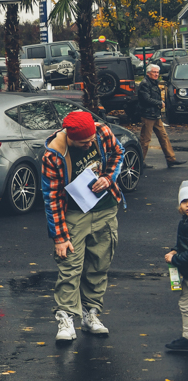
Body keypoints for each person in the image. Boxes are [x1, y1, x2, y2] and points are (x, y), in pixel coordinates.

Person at [41, 109, 125, 342]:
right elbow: (51, 197)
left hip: (105, 209)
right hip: (74, 214)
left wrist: (108, 178)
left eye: (91, 140)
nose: (89, 145)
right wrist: (59, 237)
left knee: (99, 263)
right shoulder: (53, 155)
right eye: (83, 143)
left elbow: (118, 152)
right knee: (70, 266)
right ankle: (66, 318)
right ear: (70, 137)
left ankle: (91, 314)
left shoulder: (102, 132)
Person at [136, 63, 184, 168]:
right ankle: (139, 162)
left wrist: (159, 104)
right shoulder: (145, 84)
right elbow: (146, 99)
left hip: (156, 115)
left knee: (164, 137)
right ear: (148, 73)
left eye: (157, 72)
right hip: (148, 115)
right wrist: (159, 103)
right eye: (154, 72)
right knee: (145, 140)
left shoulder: (153, 83)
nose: (156, 74)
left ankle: (171, 159)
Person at [165, 180, 188, 353]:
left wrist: (175, 259)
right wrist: (175, 250)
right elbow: (183, 244)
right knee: (185, 303)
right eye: (184, 201)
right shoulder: (184, 221)